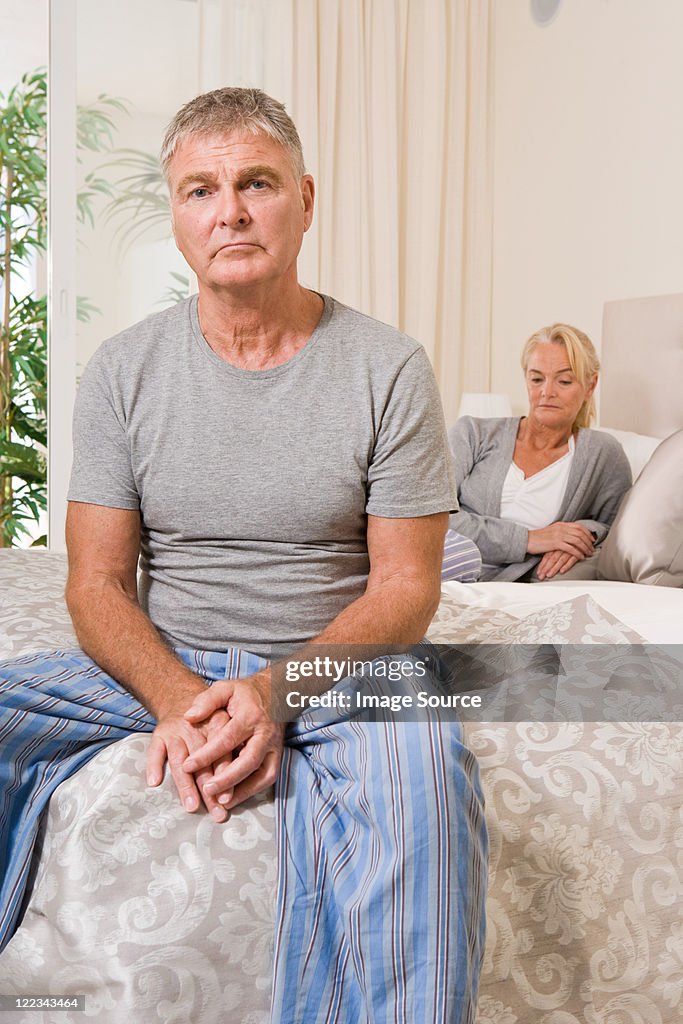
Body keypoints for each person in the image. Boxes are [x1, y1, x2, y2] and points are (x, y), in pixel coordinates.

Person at [0, 88, 487, 1022]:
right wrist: (184, 703)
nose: (229, 211)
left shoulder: (387, 367)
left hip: (342, 667)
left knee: (424, 800)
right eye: (200, 190)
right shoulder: (123, 370)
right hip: (169, 655)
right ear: (178, 217)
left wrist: (271, 695)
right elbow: (95, 583)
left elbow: (407, 588)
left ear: (304, 200)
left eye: (255, 183)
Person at [446, 323, 632, 581]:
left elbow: (618, 531)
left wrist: (584, 532)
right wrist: (531, 539)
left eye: (564, 380)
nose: (547, 392)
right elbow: (432, 517)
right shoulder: (472, 433)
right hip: (440, 571)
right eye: (536, 379)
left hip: (513, 590)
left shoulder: (602, 454)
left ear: (591, 386)